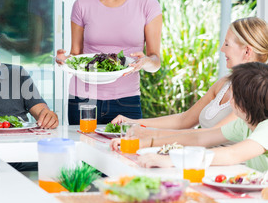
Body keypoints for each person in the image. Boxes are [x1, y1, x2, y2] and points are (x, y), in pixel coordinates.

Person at [56, 0, 163, 125]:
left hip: (126, 100)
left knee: (125, 153)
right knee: (82, 153)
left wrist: (145, 61)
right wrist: (66, 61)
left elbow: (156, 61)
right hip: (83, 99)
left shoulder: (147, 5)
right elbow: (76, 55)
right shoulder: (82, 5)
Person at [111, 17, 268, 138]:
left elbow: (210, 136)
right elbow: (184, 120)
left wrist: (150, 135)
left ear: (247, 52)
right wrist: (133, 122)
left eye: (227, 44)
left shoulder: (254, 95)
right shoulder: (224, 84)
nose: (221, 49)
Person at [110, 62, 268, 171]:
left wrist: (172, 160)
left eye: (233, 92)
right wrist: (145, 143)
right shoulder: (244, 123)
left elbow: (232, 154)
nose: (229, 96)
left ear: (244, 103)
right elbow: (199, 139)